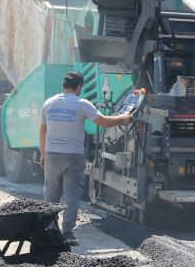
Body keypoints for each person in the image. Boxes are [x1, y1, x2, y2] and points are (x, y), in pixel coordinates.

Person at [39, 71, 135, 245]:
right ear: (79, 87)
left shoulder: (48, 103)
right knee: (72, 195)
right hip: (74, 156)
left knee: (51, 194)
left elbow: (42, 131)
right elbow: (103, 121)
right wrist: (123, 118)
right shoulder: (81, 103)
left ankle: (51, 231)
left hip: (52, 154)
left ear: (64, 85)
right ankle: (68, 233)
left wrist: (43, 153)